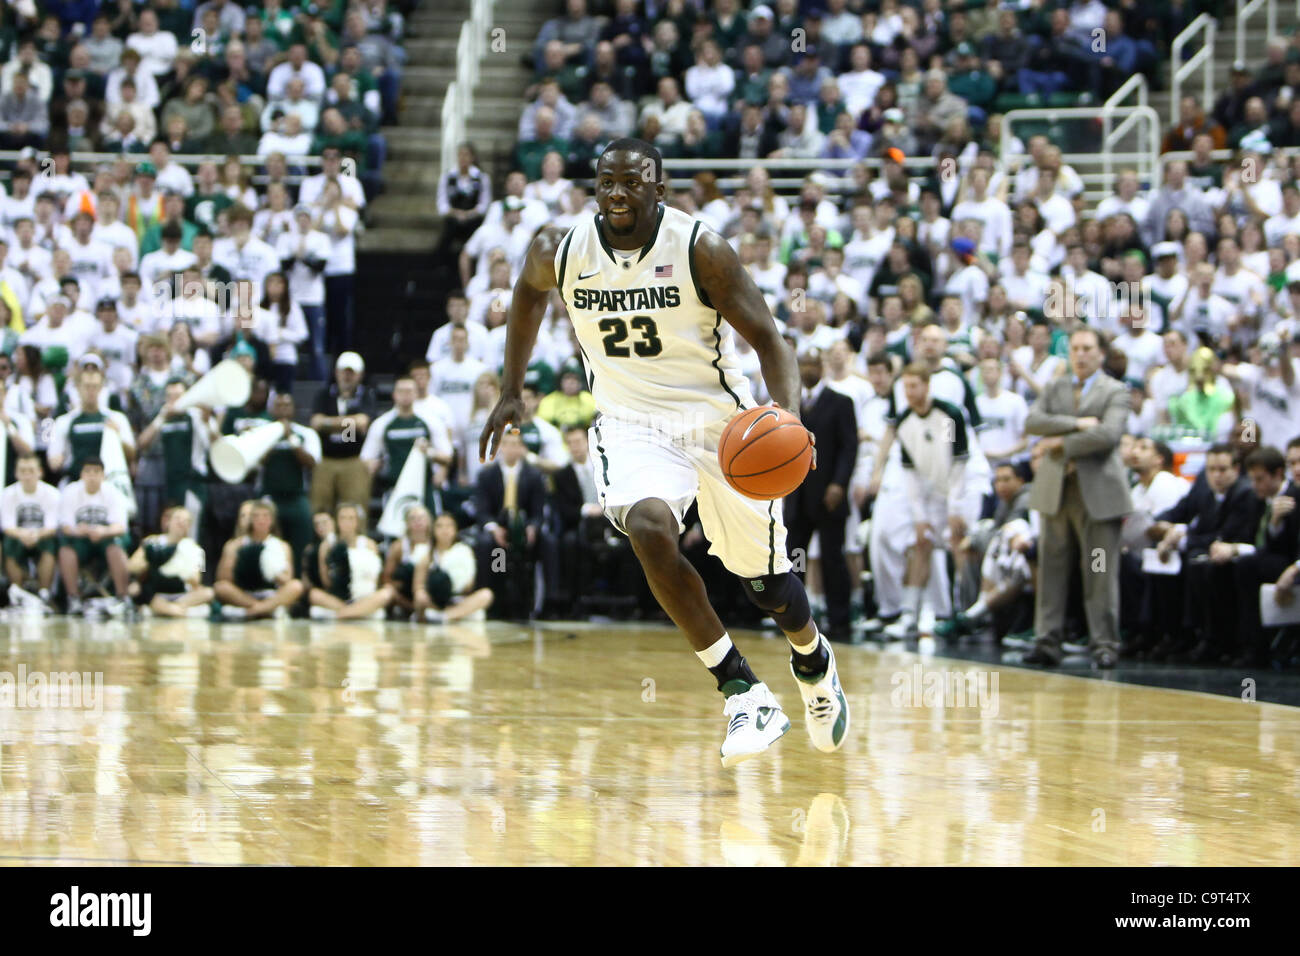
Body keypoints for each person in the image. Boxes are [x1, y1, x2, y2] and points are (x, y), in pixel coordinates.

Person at [480, 138, 849, 768]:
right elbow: (526, 296)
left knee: (766, 584)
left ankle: (813, 660)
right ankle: (742, 691)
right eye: (606, 183)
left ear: (660, 187)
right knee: (649, 528)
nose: (617, 194)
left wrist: (784, 414)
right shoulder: (560, 249)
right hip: (631, 424)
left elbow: (770, 339)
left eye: (632, 183)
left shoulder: (701, 248)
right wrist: (512, 389)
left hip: (720, 428)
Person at [1023, 326, 1133, 669]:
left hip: (1099, 495)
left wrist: (1061, 443)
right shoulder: (1055, 386)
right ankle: (1047, 641)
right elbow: (1032, 421)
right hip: (1057, 491)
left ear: (1101, 353)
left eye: (1087, 348)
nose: (1081, 354)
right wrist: (1079, 423)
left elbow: (1109, 434)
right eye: (1075, 348)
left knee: (1098, 571)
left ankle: (1104, 643)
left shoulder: (1116, 390)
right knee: (1052, 570)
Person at [784, 348, 858, 640]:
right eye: (804, 363)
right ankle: (795, 619)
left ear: (823, 366)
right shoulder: (791, 404)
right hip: (797, 494)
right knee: (795, 557)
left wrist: (840, 484)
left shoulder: (841, 402)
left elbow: (849, 448)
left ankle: (840, 618)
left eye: (814, 362)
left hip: (829, 495)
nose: (810, 368)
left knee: (832, 559)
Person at [57, 457, 133, 618]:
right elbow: (65, 527)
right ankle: (73, 598)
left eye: (96, 472)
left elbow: (121, 526)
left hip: (105, 538)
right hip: (80, 539)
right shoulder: (70, 491)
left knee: (116, 546)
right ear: (81, 475)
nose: (92, 476)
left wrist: (102, 531)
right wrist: (81, 530)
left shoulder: (113, 492)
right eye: (88, 472)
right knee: (65, 549)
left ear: (103, 475)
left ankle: (123, 597)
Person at [212, 498, 304, 620]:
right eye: (257, 516)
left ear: (272, 520)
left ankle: (256, 610)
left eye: (265, 516)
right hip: (244, 594)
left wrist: (271, 571)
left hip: (271, 594)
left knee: (296, 586)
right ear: (251, 520)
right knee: (220, 587)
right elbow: (223, 579)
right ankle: (264, 609)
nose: (261, 520)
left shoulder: (282, 546)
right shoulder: (235, 545)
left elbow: (288, 580)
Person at [309, 351, 376, 516]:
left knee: (355, 509)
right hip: (326, 459)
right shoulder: (324, 394)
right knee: (320, 509)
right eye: (344, 372)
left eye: (351, 373)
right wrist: (348, 422)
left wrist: (330, 423)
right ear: (336, 372)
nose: (347, 377)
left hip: (354, 459)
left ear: (360, 375)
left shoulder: (366, 395)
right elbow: (315, 422)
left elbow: (362, 422)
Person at [308, 502, 395, 620]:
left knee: (387, 592)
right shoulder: (327, 545)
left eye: (351, 518)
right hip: (339, 597)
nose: (347, 522)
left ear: (357, 521)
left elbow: (376, 579)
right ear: (336, 521)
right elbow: (326, 581)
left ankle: (345, 613)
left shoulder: (369, 544)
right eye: (342, 518)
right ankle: (356, 611)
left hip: (364, 596)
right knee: (314, 594)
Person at [126, 505, 214, 617]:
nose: (181, 522)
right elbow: (132, 566)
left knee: (208, 593)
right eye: (178, 518)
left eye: (186, 521)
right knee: (136, 590)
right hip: (156, 592)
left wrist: (182, 570)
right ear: (168, 522)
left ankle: (171, 608)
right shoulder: (152, 542)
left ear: (189, 527)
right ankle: (170, 609)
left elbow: (196, 580)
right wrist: (154, 561)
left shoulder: (196, 550)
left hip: (182, 594)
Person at [411, 511, 495, 623]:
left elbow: (469, 586)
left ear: (455, 530)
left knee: (486, 594)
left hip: (456, 599)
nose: (444, 530)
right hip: (433, 601)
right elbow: (418, 586)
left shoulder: (464, 552)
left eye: (449, 526)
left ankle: (445, 616)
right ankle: (453, 615)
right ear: (433, 530)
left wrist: (455, 583)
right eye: (440, 526)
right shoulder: (427, 555)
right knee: (419, 597)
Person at [1, 453, 59, 608]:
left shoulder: (52, 493)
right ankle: (17, 593)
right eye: (23, 471)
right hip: (18, 536)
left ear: (40, 472)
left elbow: (52, 527)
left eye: (31, 471)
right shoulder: (7, 494)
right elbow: (7, 527)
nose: (27, 475)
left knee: (50, 543)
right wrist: (23, 534)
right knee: (8, 543)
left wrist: (36, 535)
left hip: (42, 536)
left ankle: (44, 593)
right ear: (16, 473)